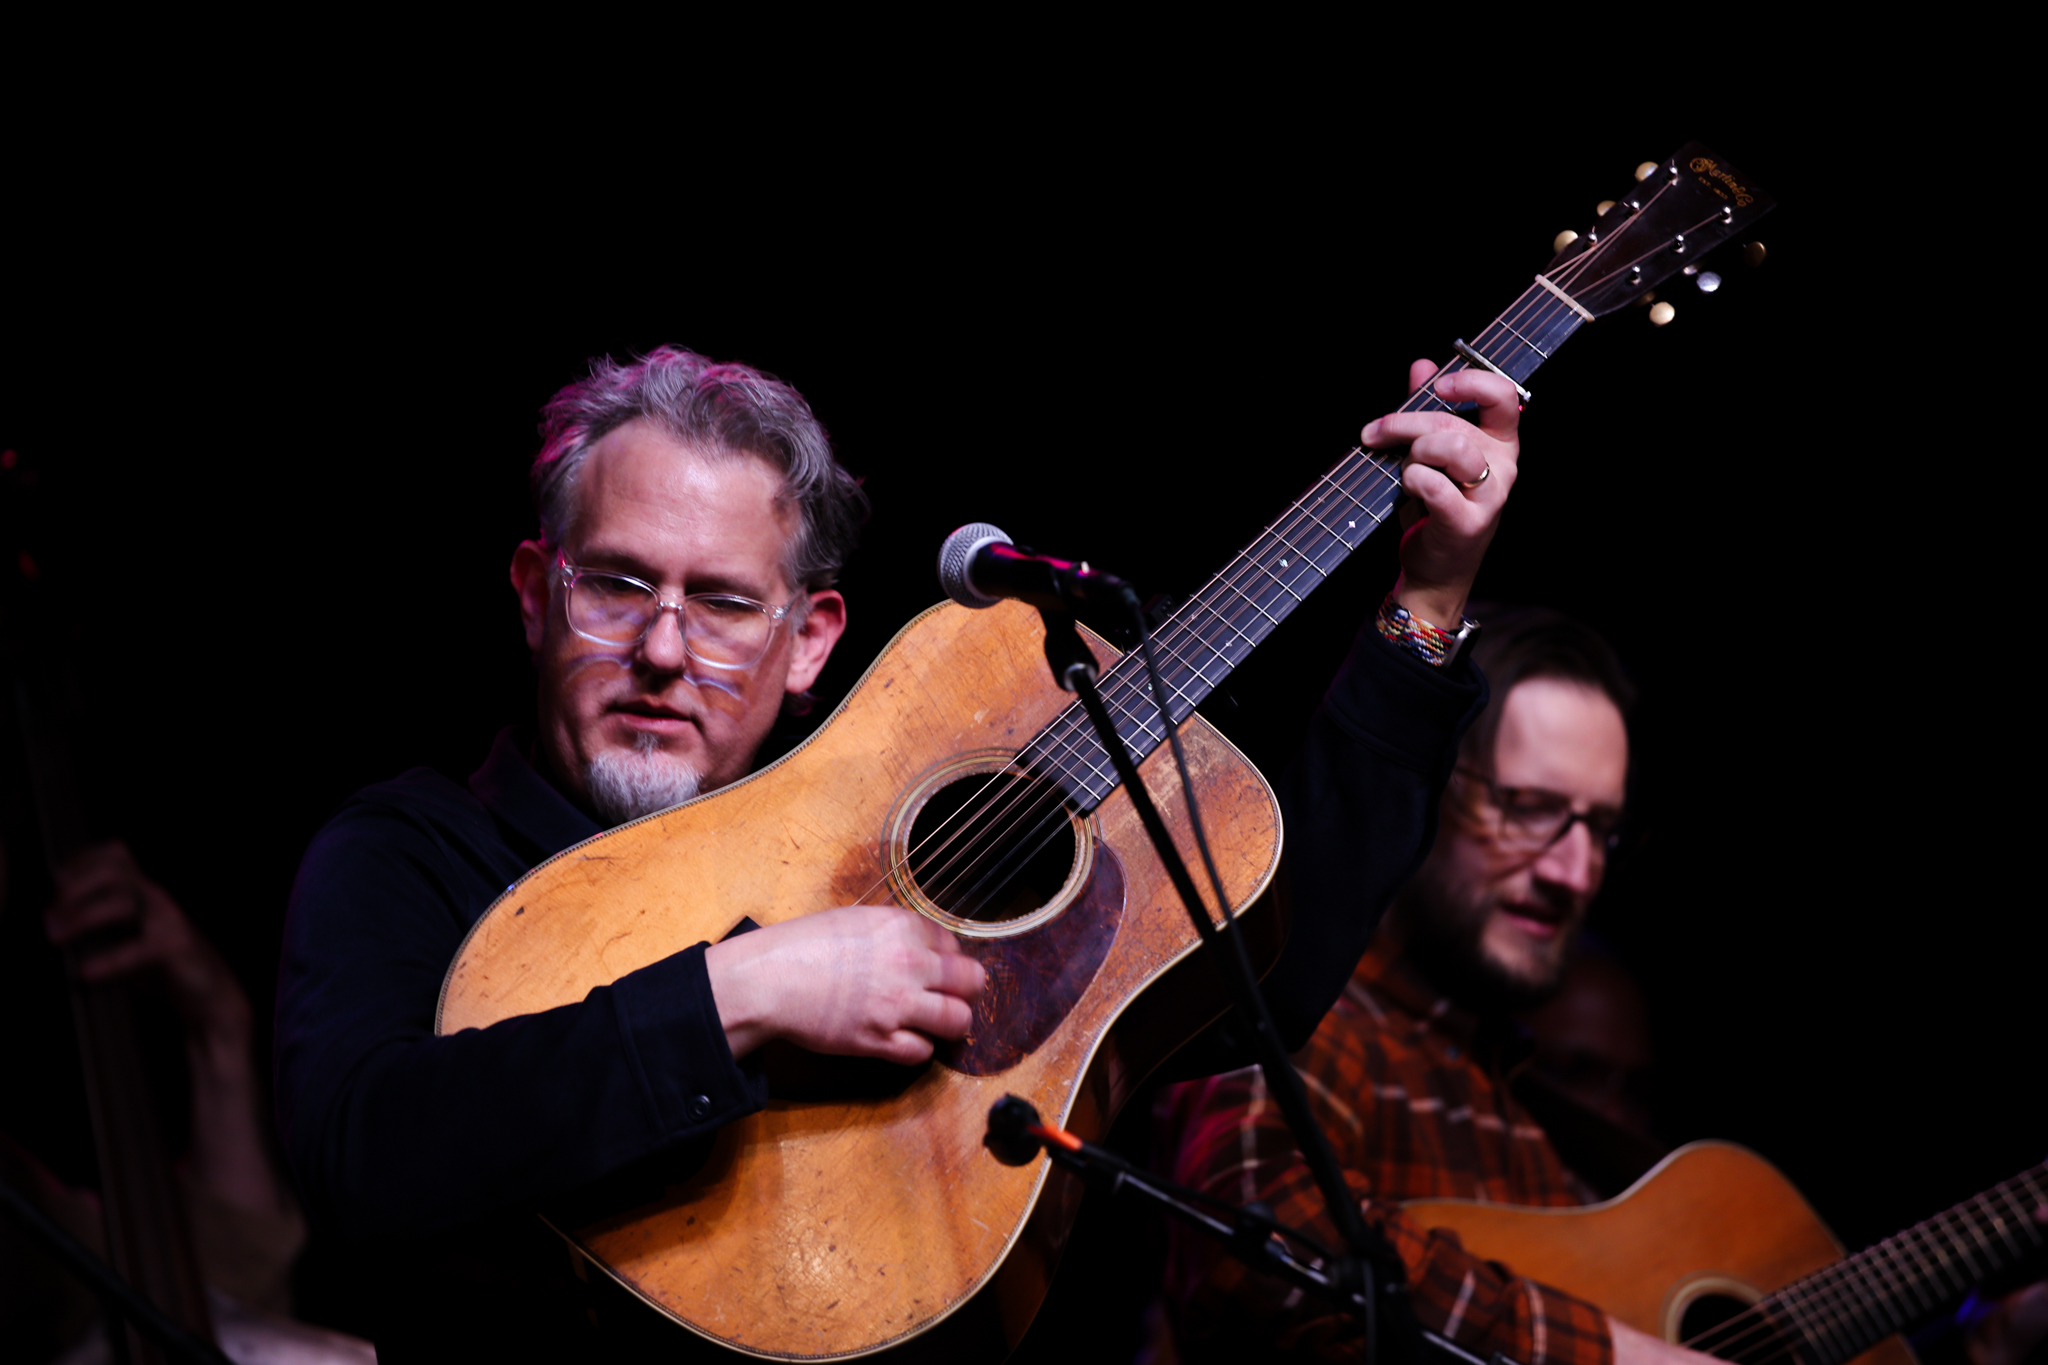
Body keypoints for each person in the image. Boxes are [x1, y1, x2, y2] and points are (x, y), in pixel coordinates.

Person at [272, 346, 1521, 1356]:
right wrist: (743, 997)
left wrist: (1423, 604)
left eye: (720, 602)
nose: (662, 650)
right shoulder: (407, 850)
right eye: (614, 587)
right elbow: (362, 1158)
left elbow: (1264, 976)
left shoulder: (886, 833)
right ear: (536, 593)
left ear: (811, 640)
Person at [1160, 604, 1717, 1365]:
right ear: (1432, 789)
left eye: (1600, 830)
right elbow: (1257, 1243)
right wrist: (1613, 1355)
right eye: (1528, 810)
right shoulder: (1316, 1019)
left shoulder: (1518, 1105)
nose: (1574, 873)